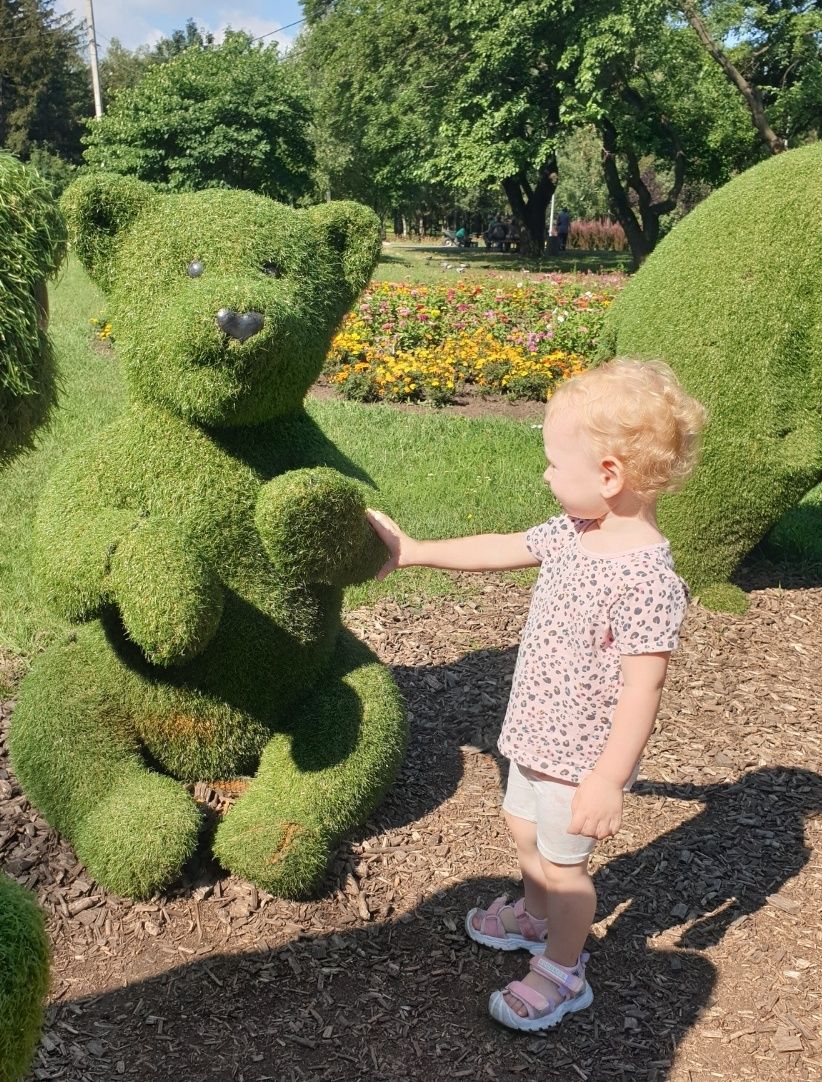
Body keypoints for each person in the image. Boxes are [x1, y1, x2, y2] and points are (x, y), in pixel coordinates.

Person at [366, 358, 708, 1033]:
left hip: (579, 757)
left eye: (556, 463)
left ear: (609, 476)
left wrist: (608, 780)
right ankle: (534, 914)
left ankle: (562, 967)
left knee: (568, 871)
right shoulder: (575, 533)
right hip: (534, 733)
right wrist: (415, 551)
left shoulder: (646, 579)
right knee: (523, 829)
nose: (546, 475)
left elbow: (645, 687)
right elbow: (504, 545)